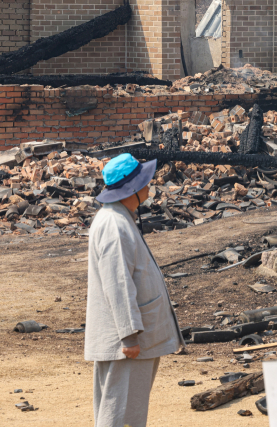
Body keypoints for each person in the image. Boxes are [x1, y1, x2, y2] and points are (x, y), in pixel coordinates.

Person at [85, 153, 184, 427]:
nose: (149, 187)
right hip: (128, 341)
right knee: (120, 414)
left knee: (127, 410)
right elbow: (117, 283)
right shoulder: (114, 224)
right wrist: (128, 336)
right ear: (132, 189)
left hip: (133, 338)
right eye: (145, 182)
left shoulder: (119, 217)